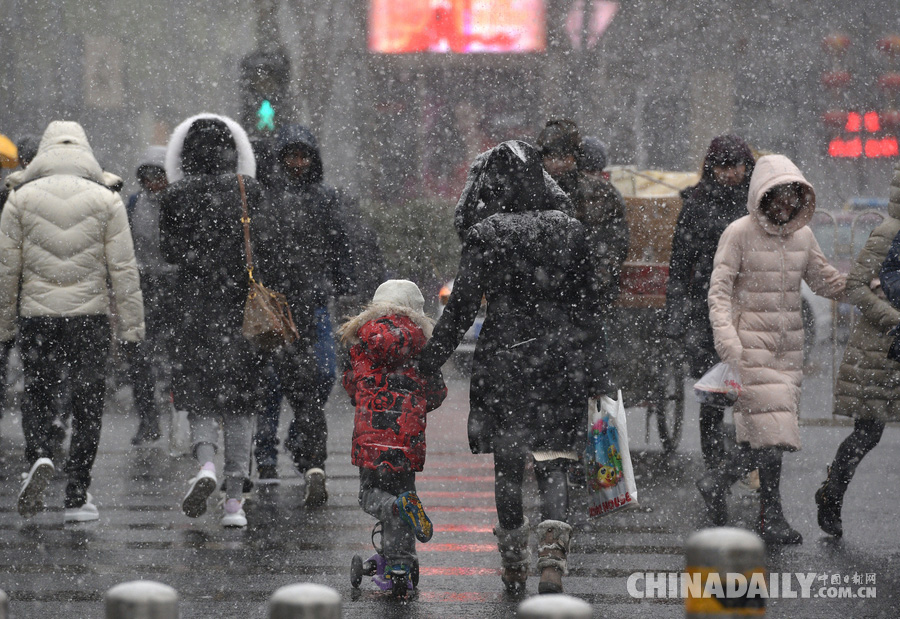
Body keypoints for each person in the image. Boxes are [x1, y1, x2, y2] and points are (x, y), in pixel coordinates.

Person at [417, 141, 608, 594]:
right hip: (560, 361)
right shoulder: (571, 232)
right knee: (553, 460)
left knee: (507, 463)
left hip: (503, 359)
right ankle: (552, 563)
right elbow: (589, 310)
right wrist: (598, 372)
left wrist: (428, 362)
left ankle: (513, 564)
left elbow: (461, 308)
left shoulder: (488, 234)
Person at [0, 120, 144, 523]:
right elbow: (124, 270)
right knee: (87, 403)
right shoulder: (106, 199)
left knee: (38, 393)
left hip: (37, 316)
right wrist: (132, 328)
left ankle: (40, 456)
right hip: (90, 317)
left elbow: (6, 270)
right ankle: (78, 493)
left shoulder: (20, 198)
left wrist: (4, 326)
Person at [705, 154, 845, 544]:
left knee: (768, 436)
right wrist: (728, 340)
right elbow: (718, 292)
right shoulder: (739, 232)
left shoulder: (803, 236)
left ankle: (718, 481)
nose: (786, 206)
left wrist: (867, 287)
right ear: (762, 196)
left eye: (792, 198)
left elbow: (825, 281)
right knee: (772, 436)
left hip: (789, 350)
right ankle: (772, 517)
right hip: (751, 346)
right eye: (778, 197)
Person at [160, 114, 268, 528]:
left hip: (193, 314)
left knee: (201, 400)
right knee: (240, 406)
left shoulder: (175, 196)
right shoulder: (248, 190)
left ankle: (205, 465)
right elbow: (266, 246)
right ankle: (235, 502)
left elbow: (169, 253)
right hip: (240, 314)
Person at [253, 124, 356, 502]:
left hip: (304, 303)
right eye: (291, 156)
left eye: (302, 156)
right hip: (282, 305)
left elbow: (340, 245)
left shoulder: (320, 199)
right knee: (280, 384)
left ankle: (294, 447)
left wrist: (343, 287)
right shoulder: (270, 198)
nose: (297, 163)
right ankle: (281, 455)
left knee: (309, 380)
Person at [339, 279, 447, 583]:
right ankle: (399, 564)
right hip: (406, 438)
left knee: (371, 495)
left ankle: (396, 509)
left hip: (371, 438)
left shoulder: (361, 342)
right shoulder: (423, 346)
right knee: (403, 489)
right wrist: (414, 407)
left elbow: (350, 386)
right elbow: (436, 393)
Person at [816, 163, 900, 538]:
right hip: (881, 350)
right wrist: (892, 317)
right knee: (869, 433)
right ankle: (831, 496)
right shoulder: (888, 234)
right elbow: (855, 287)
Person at [665, 135, 756, 474]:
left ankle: (747, 464)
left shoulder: (757, 202)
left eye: (735, 166)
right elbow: (680, 264)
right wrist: (675, 315)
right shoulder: (696, 205)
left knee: (752, 395)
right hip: (706, 311)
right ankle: (715, 467)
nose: (730, 173)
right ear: (711, 168)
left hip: (750, 309)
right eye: (722, 166)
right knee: (713, 395)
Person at [537, 121, 628, 307]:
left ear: (575, 157)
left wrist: (597, 281)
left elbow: (614, 242)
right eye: (551, 156)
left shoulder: (600, 193)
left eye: (565, 156)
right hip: (539, 295)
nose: (557, 164)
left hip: (587, 293)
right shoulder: (529, 193)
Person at [124, 145, 175, 445]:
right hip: (143, 285)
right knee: (140, 357)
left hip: (175, 286)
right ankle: (148, 420)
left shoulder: (180, 204)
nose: (155, 183)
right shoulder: (133, 204)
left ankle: (181, 419)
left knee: (178, 357)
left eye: (160, 176)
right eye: (149, 177)